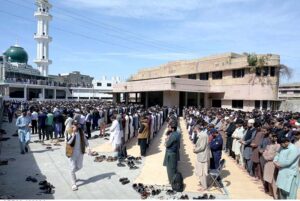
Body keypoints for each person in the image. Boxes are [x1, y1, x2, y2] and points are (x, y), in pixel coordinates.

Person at [67, 121, 91, 191]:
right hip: (72, 153)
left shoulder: (81, 132)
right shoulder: (69, 131)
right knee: (72, 168)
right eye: (73, 126)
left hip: (80, 152)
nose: (75, 127)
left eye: (76, 125)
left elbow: (85, 140)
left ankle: (73, 174)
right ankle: (74, 183)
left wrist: (88, 148)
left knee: (80, 166)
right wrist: (73, 135)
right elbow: (68, 142)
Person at [263, 133, 280, 199]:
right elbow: (264, 153)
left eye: (273, 137)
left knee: (273, 180)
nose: (271, 139)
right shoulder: (268, 145)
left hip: (273, 164)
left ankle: (276, 196)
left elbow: (275, 155)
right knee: (268, 179)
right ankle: (271, 193)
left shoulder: (278, 146)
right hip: (267, 163)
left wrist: (267, 157)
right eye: (271, 137)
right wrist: (266, 157)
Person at [193, 125, 210, 191]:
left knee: (202, 172)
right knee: (200, 171)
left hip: (203, 156)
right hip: (201, 155)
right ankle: (203, 183)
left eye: (194, 128)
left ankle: (204, 186)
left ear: (197, 129)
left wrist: (195, 150)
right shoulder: (202, 135)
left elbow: (202, 147)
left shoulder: (203, 136)